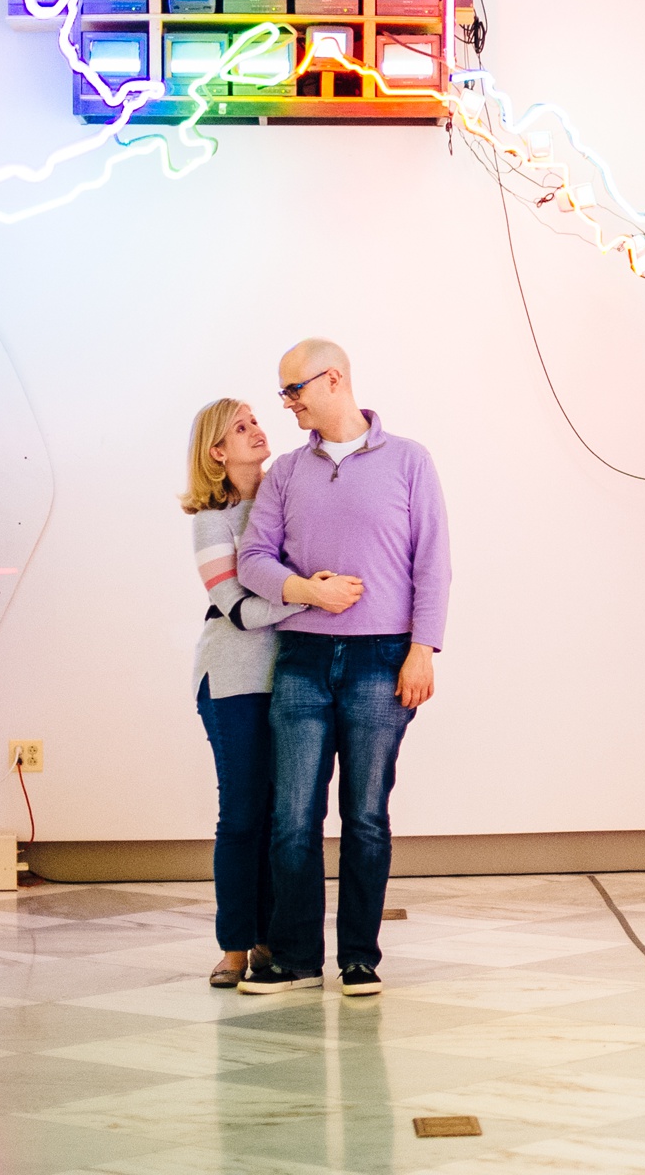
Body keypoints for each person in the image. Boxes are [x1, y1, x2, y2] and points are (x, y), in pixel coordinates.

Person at [236, 339, 449, 997]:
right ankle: (297, 959)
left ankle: (360, 958)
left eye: (294, 391)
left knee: (364, 816)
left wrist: (423, 647)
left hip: (381, 661)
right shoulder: (286, 474)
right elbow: (253, 560)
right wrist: (308, 591)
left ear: (333, 380)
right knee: (292, 816)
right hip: (300, 659)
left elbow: (432, 562)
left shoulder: (410, 461)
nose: (288, 405)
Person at [178, 398, 307, 989]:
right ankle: (234, 945)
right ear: (217, 452)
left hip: (289, 679)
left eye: (257, 421)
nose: (258, 431)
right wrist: (309, 594)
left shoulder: (285, 502)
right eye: (240, 427)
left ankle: (267, 941)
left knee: (283, 817)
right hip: (233, 682)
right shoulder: (213, 520)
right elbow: (237, 609)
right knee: (241, 817)